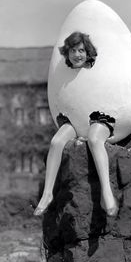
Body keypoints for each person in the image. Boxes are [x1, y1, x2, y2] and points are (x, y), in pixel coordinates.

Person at [33, 32, 118, 217]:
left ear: (88, 52)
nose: (77, 54)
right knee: (56, 142)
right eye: (73, 50)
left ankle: (107, 192)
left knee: (95, 139)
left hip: (101, 118)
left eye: (81, 50)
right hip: (76, 120)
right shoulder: (64, 74)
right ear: (67, 52)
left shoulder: (98, 71)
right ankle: (47, 194)